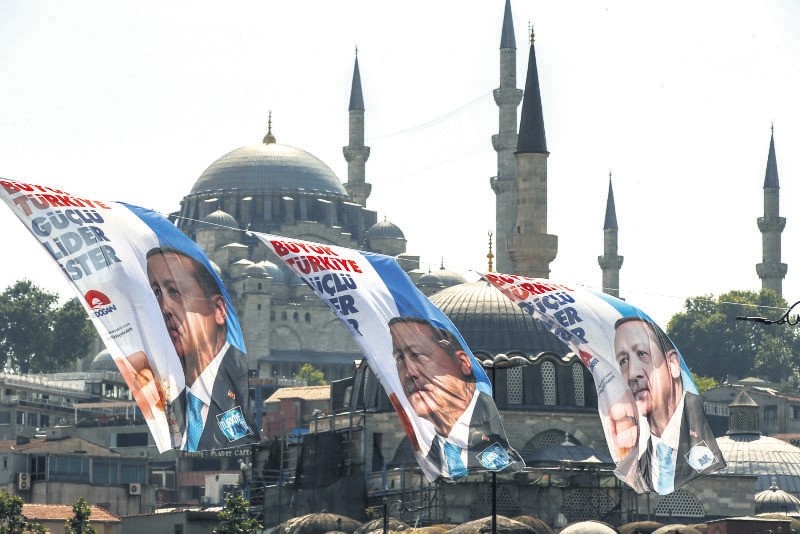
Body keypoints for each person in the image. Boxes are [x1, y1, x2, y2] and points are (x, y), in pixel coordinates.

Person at [146, 246, 255, 451]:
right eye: (157, 293)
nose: (164, 308)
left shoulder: (235, 382)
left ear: (218, 309)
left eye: (174, 292)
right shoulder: (170, 399)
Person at [389, 316, 523, 480]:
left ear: (463, 363)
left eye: (417, 355)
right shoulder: (431, 454)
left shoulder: (489, 427)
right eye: (400, 359)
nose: (409, 373)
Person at [613, 316, 725, 494]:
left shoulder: (704, 433)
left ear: (672, 363)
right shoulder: (638, 462)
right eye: (623, 361)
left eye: (642, 354)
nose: (632, 374)